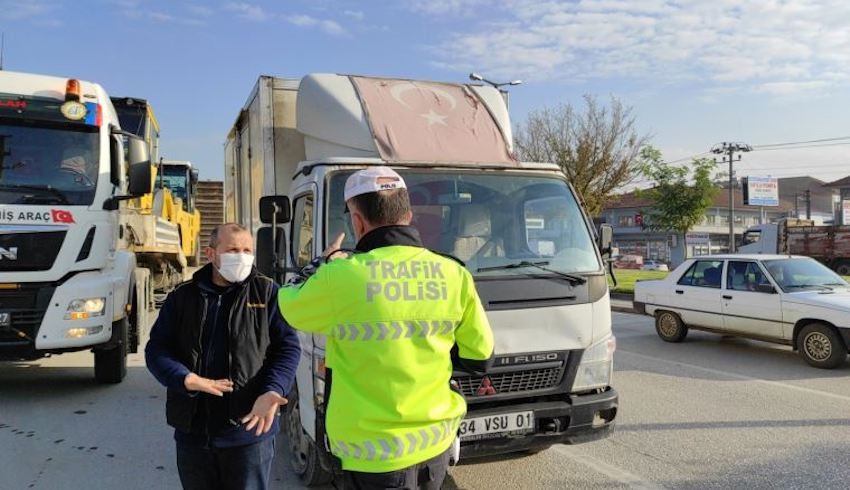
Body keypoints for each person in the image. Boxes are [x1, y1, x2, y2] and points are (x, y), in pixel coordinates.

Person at [278, 167, 495, 489]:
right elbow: (480, 358)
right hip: (434, 444)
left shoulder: (340, 276)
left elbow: (287, 304)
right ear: (408, 215)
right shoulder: (453, 274)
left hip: (369, 455)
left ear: (357, 220)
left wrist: (321, 262)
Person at [146, 223, 301, 490]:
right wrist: (185, 379)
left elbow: (287, 347)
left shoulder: (267, 292)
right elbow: (156, 349)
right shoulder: (182, 296)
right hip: (193, 433)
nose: (241, 256)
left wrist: (273, 389)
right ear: (211, 253)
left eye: (247, 250)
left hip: (248, 433)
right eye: (232, 249)